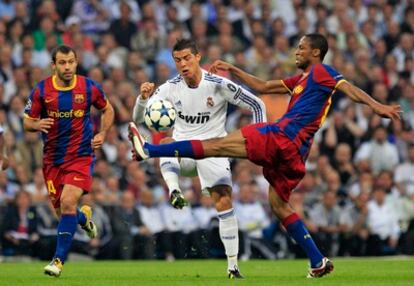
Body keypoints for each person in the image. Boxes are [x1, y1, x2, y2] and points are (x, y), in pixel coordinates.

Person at [129, 33, 402, 278]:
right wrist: (233, 69)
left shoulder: (322, 72)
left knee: (215, 145)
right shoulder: (301, 80)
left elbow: (348, 88)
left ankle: (150, 149)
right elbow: (263, 86)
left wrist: (377, 106)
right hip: (297, 154)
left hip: (282, 136)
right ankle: (318, 261)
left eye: (301, 48)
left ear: (315, 53)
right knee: (279, 205)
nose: (296, 51)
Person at [132, 38, 266, 278]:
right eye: (177, 60)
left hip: (213, 151)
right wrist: (142, 99)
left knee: (224, 202)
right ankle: (175, 191)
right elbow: (139, 118)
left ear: (197, 57)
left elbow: (257, 104)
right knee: (165, 142)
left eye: (186, 58)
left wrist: (261, 141)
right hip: (184, 152)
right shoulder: (170, 87)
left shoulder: (218, 84)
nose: (182, 64)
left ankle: (233, 267)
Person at [23, 45, 114, 277]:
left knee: (67, 202)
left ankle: (58, 261)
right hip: (52, 161)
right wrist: (36, 124)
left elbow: (108, 109)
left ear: (76, 62)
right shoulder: (42, 90)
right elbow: (27, 121)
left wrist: (102, 133)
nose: (67, 67)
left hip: (81, 156)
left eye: (71, 62)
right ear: (53, 65)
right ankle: (84, 219)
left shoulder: (89, 87)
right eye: (62, 63)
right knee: (65, 213)